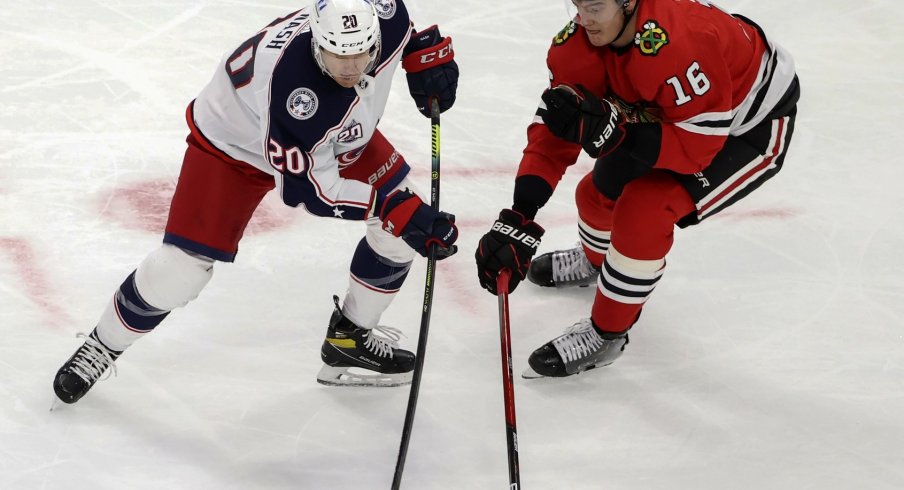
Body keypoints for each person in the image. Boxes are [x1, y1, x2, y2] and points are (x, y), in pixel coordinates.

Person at [53, 0, 460, 404]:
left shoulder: (386, 16)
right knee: (183, 268)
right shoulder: (297, 95)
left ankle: (348, 341)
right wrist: (394, 209)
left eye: (361, 53)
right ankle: (102, 346)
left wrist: (421, 51)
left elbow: (402, 34)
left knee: (399, 235)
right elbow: (313, 192)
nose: (352, 68)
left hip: (329, 136)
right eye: (338, 55)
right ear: (317, 43)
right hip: (234, 144)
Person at [475, 0, 799, 378]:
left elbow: (697, 149)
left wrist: (619, 133)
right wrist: (520, 214)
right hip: (670, 114)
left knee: (643, 211)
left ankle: (606, 335)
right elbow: (555, 134)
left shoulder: (679, 44)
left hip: (747, 126)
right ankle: (595, 263)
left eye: (594, 6)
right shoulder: (576, 46)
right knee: (595, 195)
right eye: (577, 4)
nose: (583, 19)